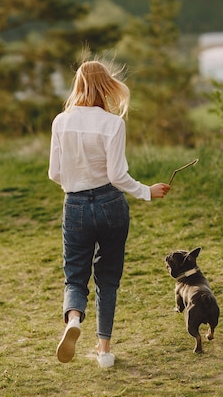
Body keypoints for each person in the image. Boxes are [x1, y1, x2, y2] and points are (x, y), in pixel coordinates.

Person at [48, 59, 171, 368]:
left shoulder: (60, 121)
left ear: (78, 85)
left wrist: (77, 185)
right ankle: (103, 350)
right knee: (108, 277)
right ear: (106, 86)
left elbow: (54, 174)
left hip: (74, 205)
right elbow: (117, 175)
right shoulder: (113, 123)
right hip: (110, 204)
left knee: (75, 276)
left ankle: (74, 319)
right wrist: (146, 191)